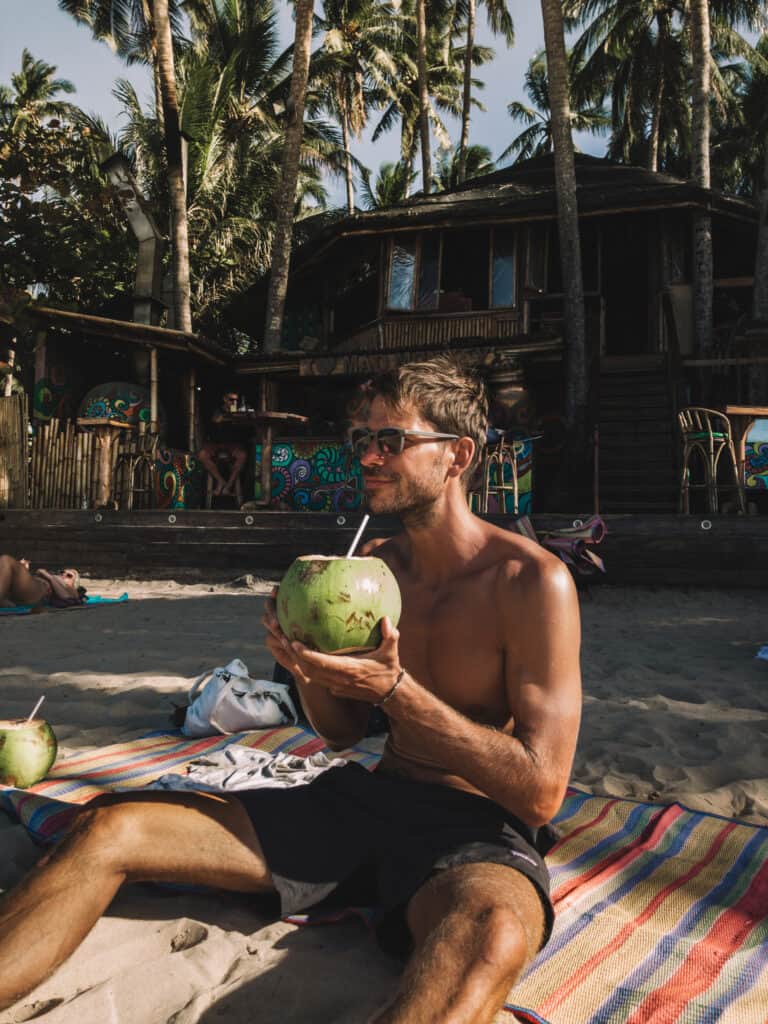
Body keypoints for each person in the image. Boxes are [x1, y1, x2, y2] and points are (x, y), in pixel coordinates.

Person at [0, 357, 581, 1023]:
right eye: (361, 439)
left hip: (474, 827)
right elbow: (342, 733)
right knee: (110, 827)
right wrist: (308, 670)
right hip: (366, 798)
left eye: (391, 441)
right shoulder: (377, 568)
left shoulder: (530, 582)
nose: (367, 456)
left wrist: (398, 691)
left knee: (492, 935)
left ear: (458, 455)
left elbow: (542, 790)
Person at [197, 391, 248, 498]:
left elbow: (243, 428)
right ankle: (222, 482)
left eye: (236, 400)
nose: (234, 402)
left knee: (242, 456)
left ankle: (228, 486)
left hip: (232, 444)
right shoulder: (218, 410)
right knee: (202, 455)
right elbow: (215, 419)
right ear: (225, 399)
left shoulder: (238, 413)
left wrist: (239, 418)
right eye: (231, 399)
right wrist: (227, 417)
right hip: (215, 444)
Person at [0, 555, 84, 608]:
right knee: (6, 566)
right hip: (32, 585)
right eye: (62, 572)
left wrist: (48, 576)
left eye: (69, 575)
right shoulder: (55, 579)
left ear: (74, 584)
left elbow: (66, 598)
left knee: (6, 560)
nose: (64, 574)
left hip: (38, 590)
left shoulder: (71, 589)